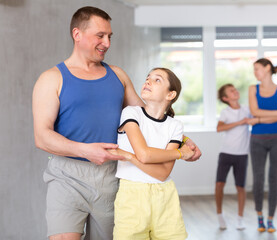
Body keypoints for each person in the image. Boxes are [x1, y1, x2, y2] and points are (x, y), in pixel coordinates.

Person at [32, 6, 201, 240]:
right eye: (100, 36)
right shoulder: (51, 78)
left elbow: (149, 116)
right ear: (77, 34)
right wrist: (85, 150)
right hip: (66, 175)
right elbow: (42, 136)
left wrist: (184, 141)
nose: (107, 43)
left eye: (109, 36)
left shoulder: (118, 76)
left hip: (114, 176)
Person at [108, 67, 194, 240]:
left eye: (157, 80)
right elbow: (145, 155)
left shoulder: (175, 126)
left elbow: (162, 173)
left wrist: (128, 156)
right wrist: (179, 153)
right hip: (131, 195)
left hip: (165, 198)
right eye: (148, 78)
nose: (148, 81)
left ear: (170, 95)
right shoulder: (131, 113)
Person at [248, 58, 277, 233]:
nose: (255, 72)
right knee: (258, 179)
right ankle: (259, 217)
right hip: (257, 139)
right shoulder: (253, 89)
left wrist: (258, 119)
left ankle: (271, 219)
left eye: (257, 68)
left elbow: (260, 115)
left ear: (267, 68)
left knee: (274, 180)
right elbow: (254, 111)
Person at [215, 83, 257, 230]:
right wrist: (240, 122)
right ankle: (220, 215)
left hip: (242, 154)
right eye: (231, 91)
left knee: (240, 187)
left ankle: (240, 218)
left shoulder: (247, 109)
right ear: (226, 98)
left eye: (235, 89)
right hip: (226, 153)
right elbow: (219, 128)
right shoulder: (226, 112)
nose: (235, 92)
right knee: (220, 184)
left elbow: (256, 119)